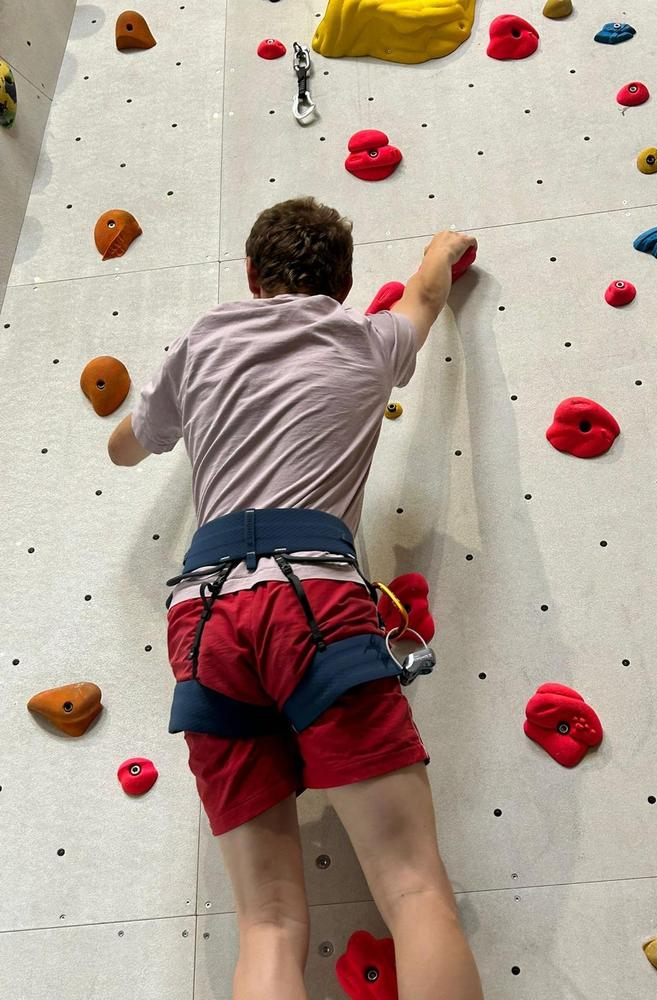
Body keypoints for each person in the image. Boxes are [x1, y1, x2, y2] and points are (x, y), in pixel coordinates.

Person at [107, 197, 482, 1000]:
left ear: (251, 275)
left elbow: (126, 447)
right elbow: (425, 293)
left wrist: (166, 427)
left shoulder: (204, 339)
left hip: (203, 616)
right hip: (312, 596)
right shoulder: (368, 338)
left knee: (269, 927)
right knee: (413, 890)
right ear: (342, 287)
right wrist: (446, 247)